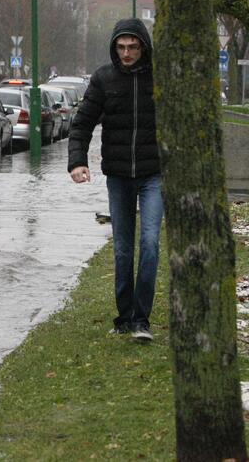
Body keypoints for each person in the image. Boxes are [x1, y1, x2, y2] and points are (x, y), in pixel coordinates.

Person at [67, 18, 162, 341]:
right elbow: (81, 124)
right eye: (121, 47)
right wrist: (77, 162)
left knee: (149, 243)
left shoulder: (158, 78)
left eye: (133, 47)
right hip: (119, 175)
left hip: (153, 174)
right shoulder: (104, 79)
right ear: (114, 47)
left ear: (143, 47)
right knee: (123, 249)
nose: (126, 53)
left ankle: (141, 319)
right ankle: (125, 317)